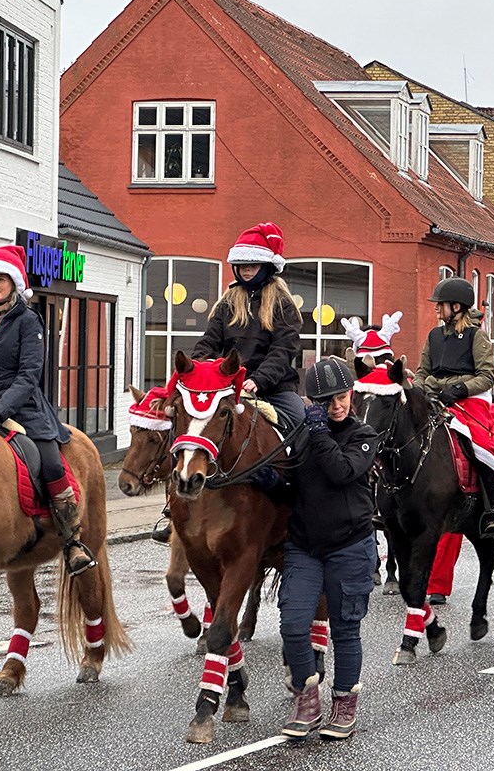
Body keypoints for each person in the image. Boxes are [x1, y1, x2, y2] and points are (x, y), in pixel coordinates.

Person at [152, 223, 303, 544]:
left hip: (273, 389)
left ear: (267, 266)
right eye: (242, 265)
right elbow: (209, 342)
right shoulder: (226, 302)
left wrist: (257, 380)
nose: (246, 270)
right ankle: (174, 504)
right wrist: (198, 369)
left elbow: (283, 350)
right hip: (225, 387)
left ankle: (302, 504)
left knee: (304, 429)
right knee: (185, 428)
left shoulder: (283, 305)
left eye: (253, 265)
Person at [0, 246, 94, 577]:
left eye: (0, 279)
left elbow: (29, 376)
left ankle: (72, 540)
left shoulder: (29, 321)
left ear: (13, 283)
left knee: (50, 462)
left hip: (24, 408)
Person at [278, 357, 378, 742]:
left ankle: (344, 704)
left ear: (351, 394)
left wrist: (318, 432)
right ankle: (306, 700)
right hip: (305, 546)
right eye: (326, 401)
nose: (336, 406)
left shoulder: (363, 434)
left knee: (345, 628)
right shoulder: (303, 434)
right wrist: (270, 479)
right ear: (312, 402)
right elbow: (293, 485)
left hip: (350, 545)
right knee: (293, 625)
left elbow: (340, 472)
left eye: (342, 397)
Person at [416, 278, 494, 539]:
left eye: (440, 304)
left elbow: (487, 376)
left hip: (468, 399)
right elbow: (422, 371)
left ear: (456, 306)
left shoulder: (477, 336)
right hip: (435, 396)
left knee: (478, 445)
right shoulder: (434, 336)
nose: (436, 308)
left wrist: (459, 389)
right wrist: (417, 391)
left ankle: (489, 510)